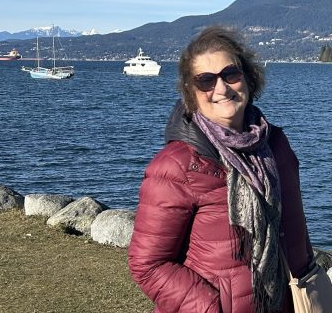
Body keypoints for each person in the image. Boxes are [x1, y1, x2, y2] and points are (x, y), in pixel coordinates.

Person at [128, 26, 316, 313]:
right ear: (191, 92)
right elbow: (149, 264)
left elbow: (294, 229)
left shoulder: (276, 144)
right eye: (205, 80)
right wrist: (211, 308)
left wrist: (307, 276)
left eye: (231, 74)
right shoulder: (176, 165)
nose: (221, 88)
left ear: (248, 77)